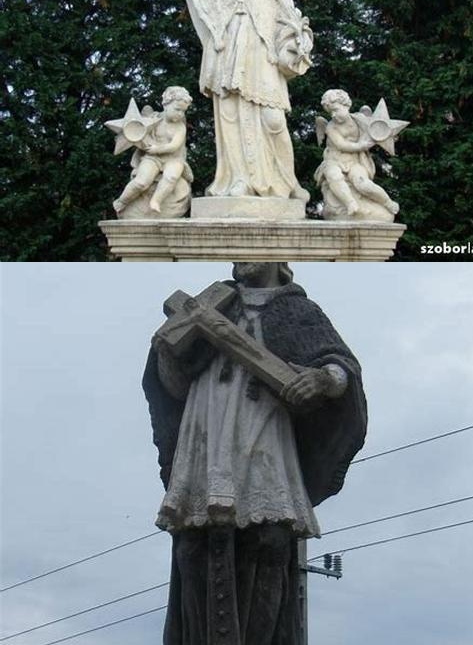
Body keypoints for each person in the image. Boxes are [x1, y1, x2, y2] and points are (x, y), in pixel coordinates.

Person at [143, 263, 367, 645]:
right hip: (206, 432)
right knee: (195, 542)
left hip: (263, 429)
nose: (242, 257)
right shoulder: (211, 302)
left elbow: (341, 365)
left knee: (268, 539)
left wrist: (325, 379)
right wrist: (167, 353)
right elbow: (174, 389)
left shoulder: (298, 311)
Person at [163, 0, 312, 201]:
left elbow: (293, 21)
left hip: (262, 56)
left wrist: (298, 43)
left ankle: (288, 181)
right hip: (227, 53)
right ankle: (238, 180)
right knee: (229, 116)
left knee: (273, 120)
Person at [315, 89, 400, 218]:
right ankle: (350, 203)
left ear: (346, 105)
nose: (333, 115)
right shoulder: (331, 127)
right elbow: (341, 145)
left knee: (362, 184)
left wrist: (387, 135)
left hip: (355, 161)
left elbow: (376, 130)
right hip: (334, 160)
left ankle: (387, 202)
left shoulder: (360, 120)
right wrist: (361, 145)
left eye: (336, 110)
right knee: (334, 176)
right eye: (330, 112)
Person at [112, 86, 193, 216]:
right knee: (141, 182)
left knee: (171, 176)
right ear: (165, 105)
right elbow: (141, 137)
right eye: (177, 109)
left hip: (173, 159)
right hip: (152, 158)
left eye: (183, 111)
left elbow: (174, 146)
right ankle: (122, 201)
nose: (180, 114)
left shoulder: (180, 127)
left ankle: (156, 200)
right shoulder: (152, 121)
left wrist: (158, 149)